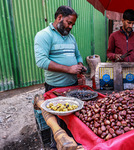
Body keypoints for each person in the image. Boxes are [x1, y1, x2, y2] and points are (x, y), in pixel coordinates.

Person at [34, 6, 86, 149]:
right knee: (56, 123)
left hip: (74, 86)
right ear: (59, 17)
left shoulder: (71, 37)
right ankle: (55, 146)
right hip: (55, 88)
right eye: (69, 23)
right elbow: (41, 61)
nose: (70, 27)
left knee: (73, 119)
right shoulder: (44, 35)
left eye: (72, 25)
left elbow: (77, 55)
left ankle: (72, 144)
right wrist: (69, 69)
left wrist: (80, 66)